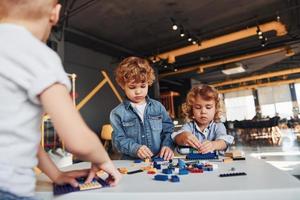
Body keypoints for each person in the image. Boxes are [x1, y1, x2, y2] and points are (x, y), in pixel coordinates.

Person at [0, 0, 121, 199]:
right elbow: (78, 141)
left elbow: (23, 139)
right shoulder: (38, 54)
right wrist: (103, 159)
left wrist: (56, 174)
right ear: (54, 13)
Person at [110, 57, 174, 160]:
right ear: (122, 85)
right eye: (132, 87)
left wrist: (167, 145)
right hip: (131, 163)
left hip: (159, 160)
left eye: (143, 86)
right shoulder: (117, 113)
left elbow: (168, 131)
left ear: (148, 83)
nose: (138, 91)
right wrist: (135, 149)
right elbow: (118, 141)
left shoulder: (158, 107)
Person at [172, 84, 234, 153]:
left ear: (216, 109)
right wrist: (183, 136)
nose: (203, 111)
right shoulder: (189, 126)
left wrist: (213, 145)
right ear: (191, 109)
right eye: (198, 107)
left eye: (208, 107)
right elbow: (176, 138)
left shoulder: (218, 126)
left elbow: (224, 142)